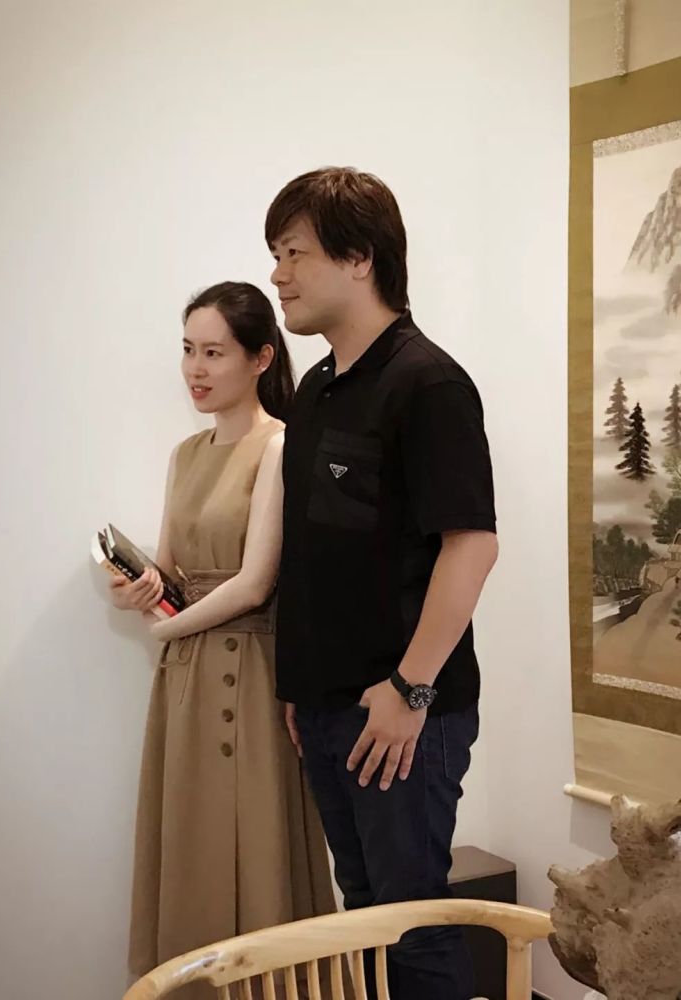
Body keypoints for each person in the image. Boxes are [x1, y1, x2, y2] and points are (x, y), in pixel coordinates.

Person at [265, 168, 499, 1000]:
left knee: (410, 929)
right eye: (275, 255)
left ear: (359, 257)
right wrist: (301, 686)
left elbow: (471, 546)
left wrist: (409, 689)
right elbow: (315, 554)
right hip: (326, 707)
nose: (278, 275)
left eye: (293, 253)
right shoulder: (317, 389)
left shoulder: (427, 382)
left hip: (404, 708)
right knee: (361, 916)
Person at [106, 282, 338, 998]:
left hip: (250, 669)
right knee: (193, 845)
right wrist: (140, 586)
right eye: (188, 350)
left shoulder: (280, 444)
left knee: (257, 845)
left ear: (260, 358)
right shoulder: (185, 453)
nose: (195, 369)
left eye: (214, 352)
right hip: (185, 677)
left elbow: (254, 583)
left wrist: (165, 626)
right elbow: (173, 568)